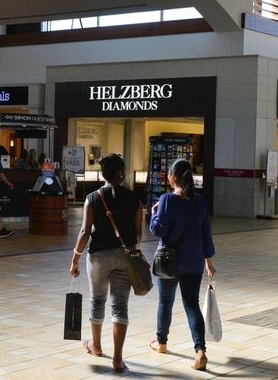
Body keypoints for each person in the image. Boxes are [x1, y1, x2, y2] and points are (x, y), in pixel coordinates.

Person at [69, 153, 142, 373]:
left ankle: (97, 346)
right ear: (122, 173)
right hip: (124, 255)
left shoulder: (93, 198)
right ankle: (118, 359)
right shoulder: (134, 199)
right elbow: (138, 234)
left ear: (103, 174)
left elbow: (84, 231)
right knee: (120, 305)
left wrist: (75, 259)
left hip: (98, 256)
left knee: (97, 299)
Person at [148, 158, 216, 371]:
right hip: (194, 262)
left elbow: (158, 230)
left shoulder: (167, 200)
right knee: (191, 304)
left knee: (165, 302)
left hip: (169, 261)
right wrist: (209, 262)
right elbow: (206, 235)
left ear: (172, 178)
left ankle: (161, 342)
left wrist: (153, 214)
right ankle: (200, 351)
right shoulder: (201, 202)